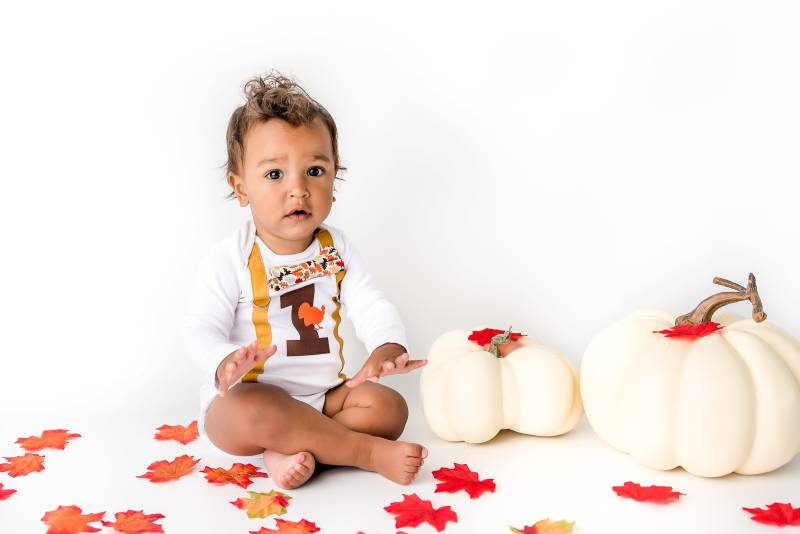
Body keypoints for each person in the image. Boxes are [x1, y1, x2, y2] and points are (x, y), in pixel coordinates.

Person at [182, 72, 428, 490]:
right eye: (275, 175)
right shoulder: (232, 257)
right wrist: (223, 361)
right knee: (255, 412)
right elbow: (200, 328)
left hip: (323, 400)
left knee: (388, 409)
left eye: (315, 170)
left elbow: (369, 302)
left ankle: (292, 450)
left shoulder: (336, 248)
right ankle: (363, 453)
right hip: (250, 402)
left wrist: (387, 345)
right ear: (241, 188)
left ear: (335, 177)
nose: (299, 189)